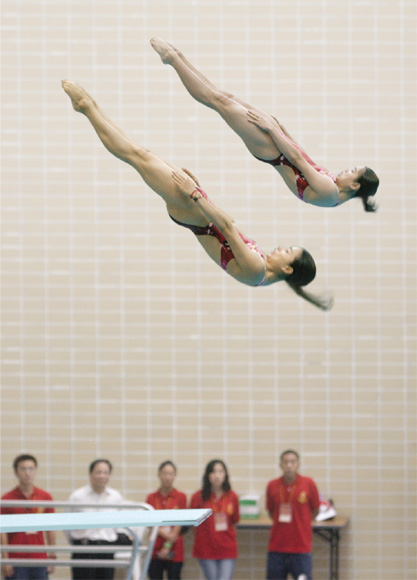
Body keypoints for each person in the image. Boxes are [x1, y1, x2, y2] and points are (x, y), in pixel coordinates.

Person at [62, 80, 331, 310]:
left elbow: (226, 227)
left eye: (288, 252)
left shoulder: (257, 271)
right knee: (142, 154)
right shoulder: (260, 270)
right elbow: (226, 228)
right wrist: (200, 193)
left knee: (138, 156)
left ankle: (86, 107)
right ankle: (89, 107)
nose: (282, 248)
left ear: (288, 269)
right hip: (197, 209)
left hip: (192, 211)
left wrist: (195, 195)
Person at [150, 38, 379, 212]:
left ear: (356, 186)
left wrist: (273, 130)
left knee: (219, 102)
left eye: (352, 172)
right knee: (224, 96)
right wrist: (283, 129)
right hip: (278, 145)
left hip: (272, 151)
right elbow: (306, 158)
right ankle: (178, 57)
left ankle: (173, 60)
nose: (346, 170)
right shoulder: (333, 186)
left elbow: (298, 161)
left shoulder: (331, 193)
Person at [265, 450, 320, 580]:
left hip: (301, 548)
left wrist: (302, 521)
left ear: (298, 464)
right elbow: (271, 512)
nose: (289, 465)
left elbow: (315, 510)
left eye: (292, 462)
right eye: (286, 462)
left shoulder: (308, 484)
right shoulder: (272, 485)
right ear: (280, 465)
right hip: (277, 548)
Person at [1, 454, 56, 580]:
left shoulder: (45, 497)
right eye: (23, 469)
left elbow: (51, 528)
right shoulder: (7, 499)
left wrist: (52, 555)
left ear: (35, 471)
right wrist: (5, 558)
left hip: (39, 558)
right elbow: (2, 531)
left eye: (31, 469)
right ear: (15, 472)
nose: (27, 473)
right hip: (16, 558)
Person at [67, 458, 124, 580]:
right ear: (91, 473)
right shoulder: (77, 496)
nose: (102, 476)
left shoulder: (116, 497)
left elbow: (119, 524)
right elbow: (67, 525)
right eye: (98, 472)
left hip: (107, 549)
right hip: (84, 549)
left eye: (105, 472)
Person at [189, 460, 239, 580]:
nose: (217, 475)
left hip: (227, 548)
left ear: (225, 475)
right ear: (207, 476)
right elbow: (192, 523)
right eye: (213, 472)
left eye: (220, 471)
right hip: (206, 548)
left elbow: (235, 521)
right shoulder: (198, 497)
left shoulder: (232, 496)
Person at [145, 460, 187, 579]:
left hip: (174, 546)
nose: (167, 477)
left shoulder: (180, 497)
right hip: (155, 545)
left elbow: (180, 522)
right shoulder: (151, 498)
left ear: (174, 476)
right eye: (165, 473)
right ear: (159, 474)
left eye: (171, 474)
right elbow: (149, 522)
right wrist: (163, 533)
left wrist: (168, 544)